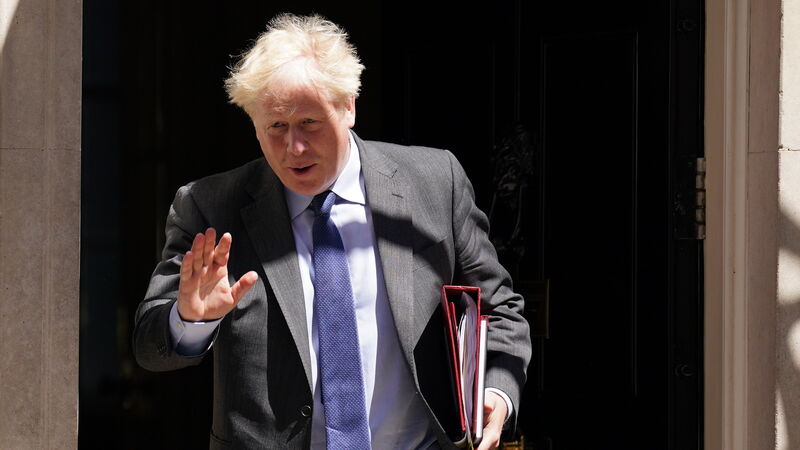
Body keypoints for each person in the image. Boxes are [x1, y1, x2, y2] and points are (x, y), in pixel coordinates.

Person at [133, 13, 531, 450]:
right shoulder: (210, 206)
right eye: (276, 127)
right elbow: (150, 347)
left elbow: (500, 310)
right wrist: (190, 319)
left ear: (348, 107)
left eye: (309, 123)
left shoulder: (435, 183)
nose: (294, 148)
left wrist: (496, 393)